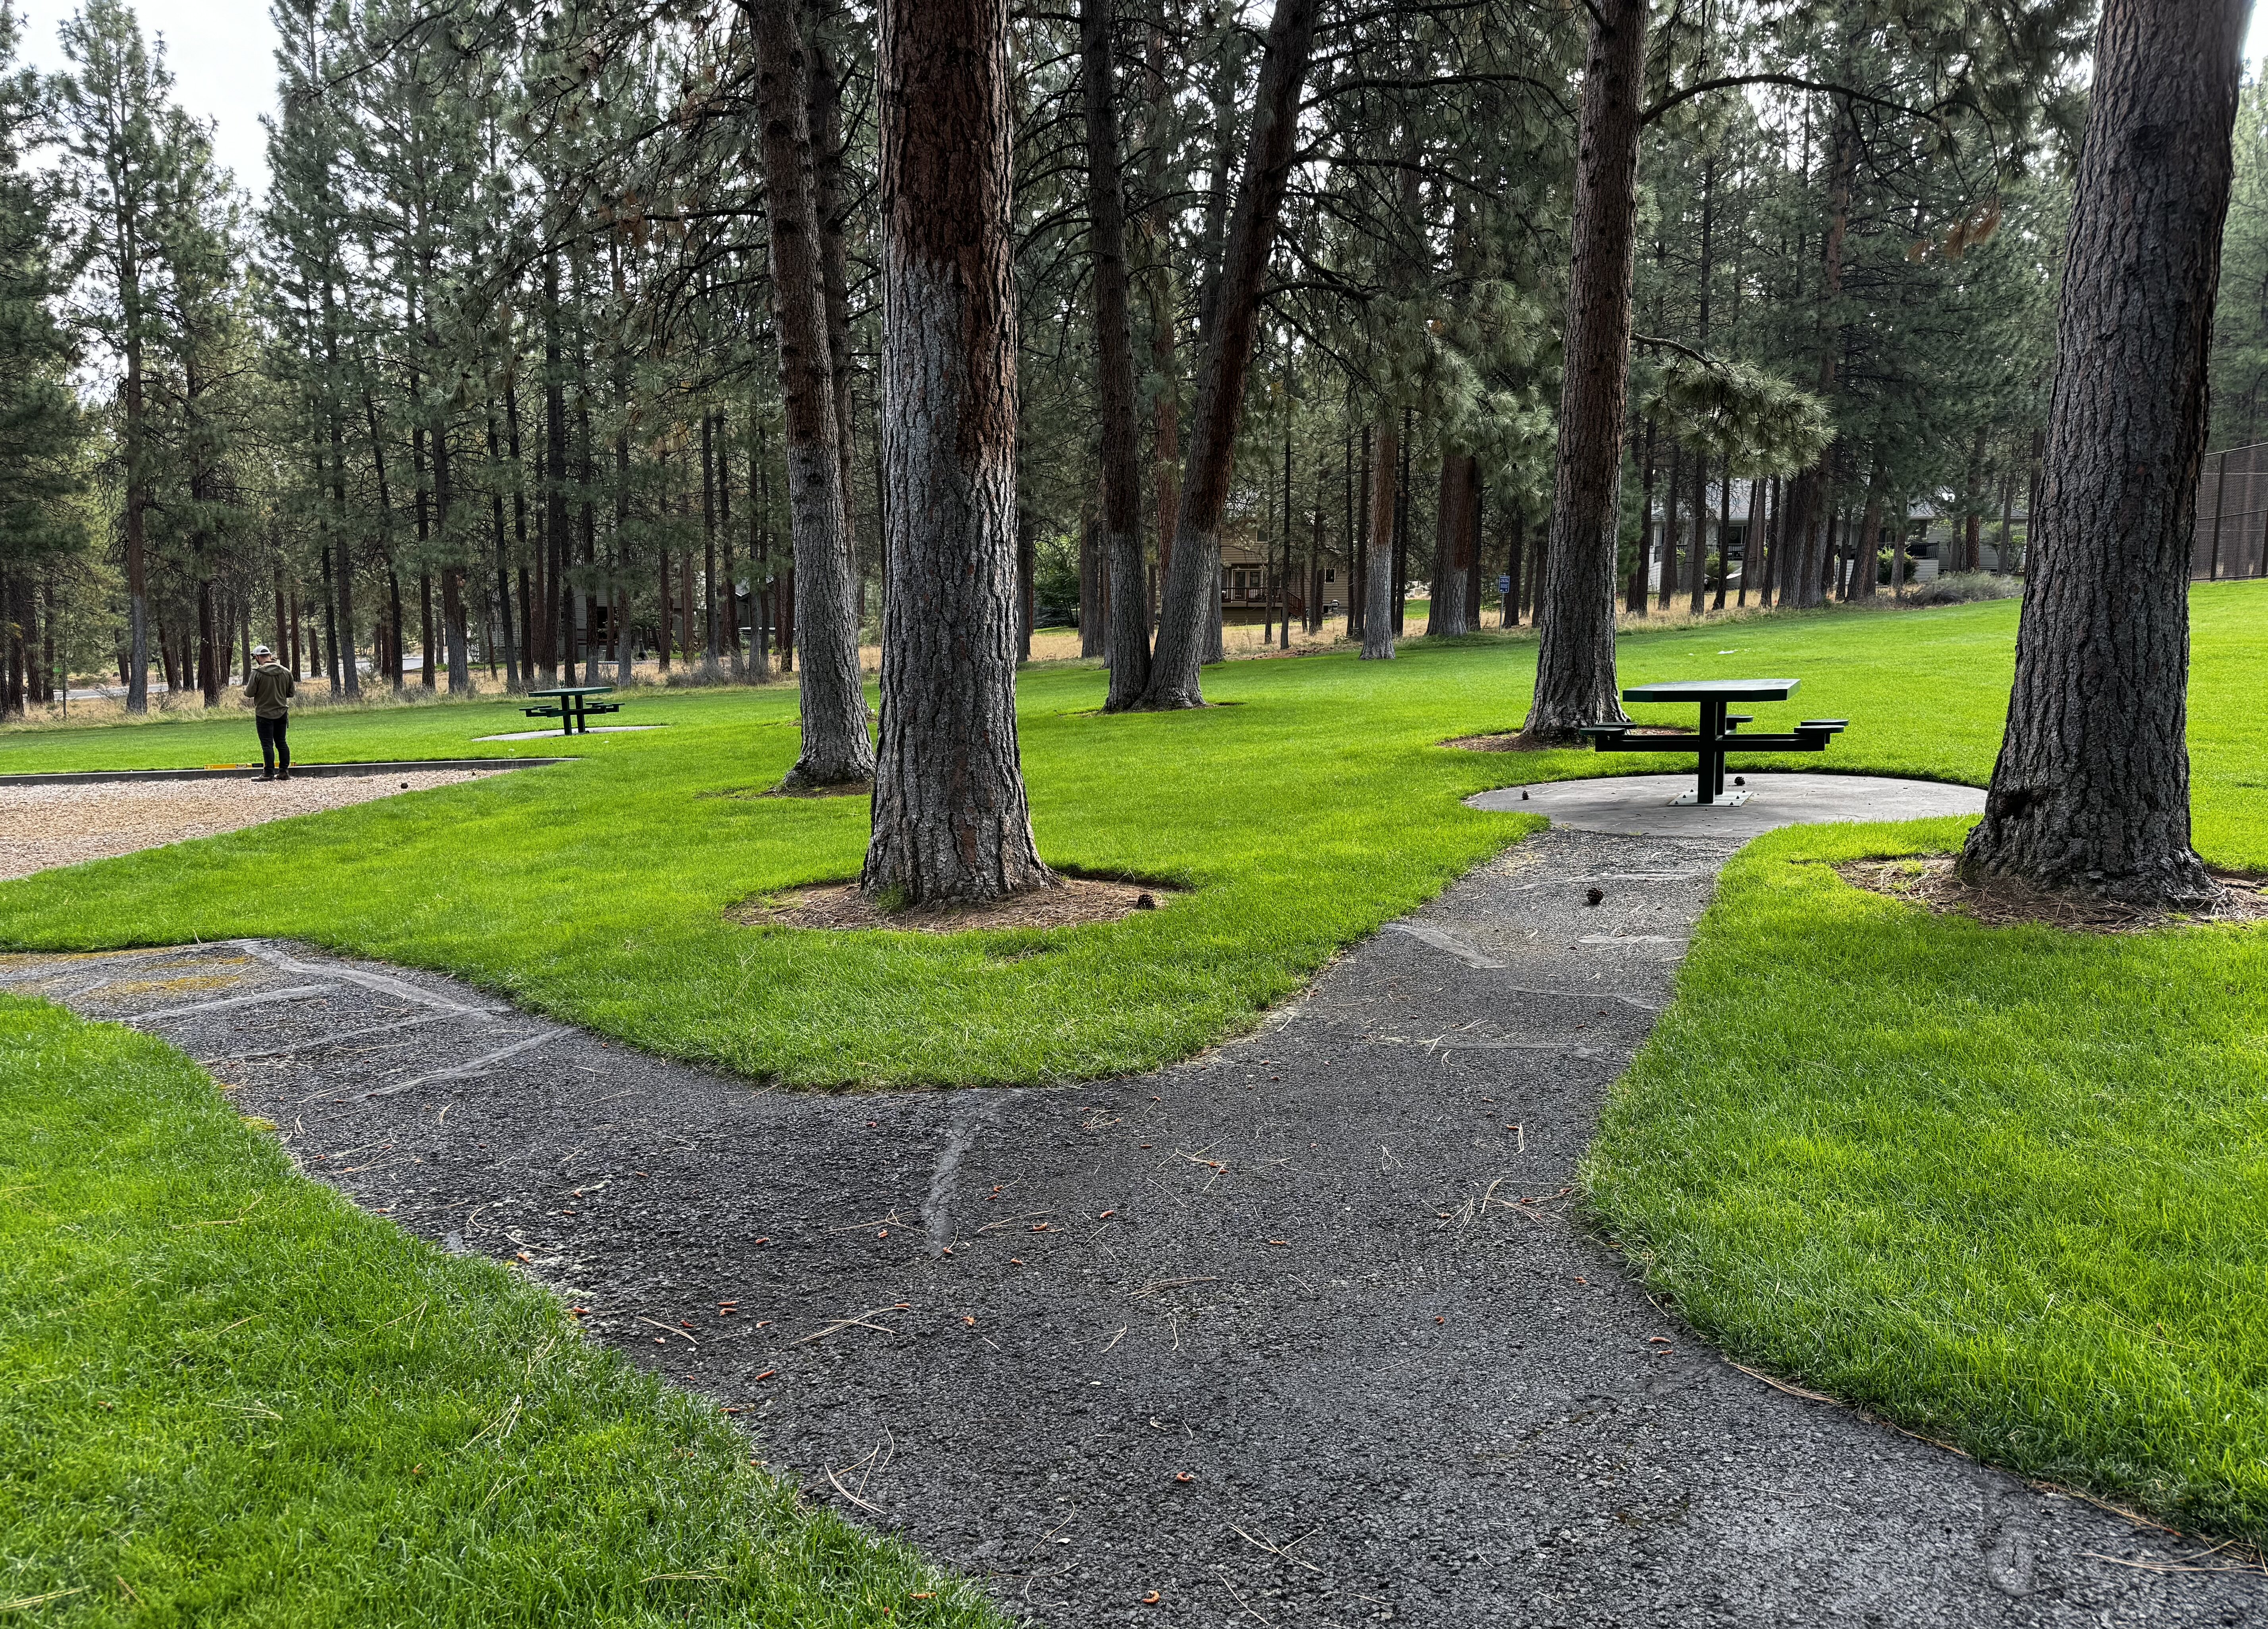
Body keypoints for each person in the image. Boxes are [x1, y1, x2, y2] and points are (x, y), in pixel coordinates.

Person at [245, 644, 295, 781]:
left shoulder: (257, 673)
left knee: (267, 744)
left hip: (264, 714)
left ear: (257, 657)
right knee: (282, 743)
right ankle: (284, 772)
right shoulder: (286, 671)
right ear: (270, 656)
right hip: (282, 712)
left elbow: (249, 693)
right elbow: (291, 693)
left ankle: (268, 773)